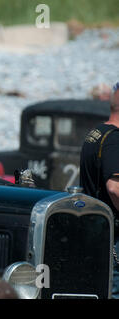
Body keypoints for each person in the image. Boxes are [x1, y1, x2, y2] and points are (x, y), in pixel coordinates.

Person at [80, 82, 119, 298]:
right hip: (113, 236)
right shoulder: (115, 139)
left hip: (96, 231)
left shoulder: (96, 132)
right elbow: (115, 189)